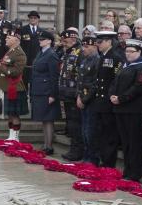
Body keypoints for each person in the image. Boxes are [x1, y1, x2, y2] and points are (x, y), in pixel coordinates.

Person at [111, 39, 142, 181]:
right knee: (126, 142)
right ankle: (128, 169)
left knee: (134, 142)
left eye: (131, 51)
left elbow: (139, 86)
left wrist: (121, 98)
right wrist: (112, 95)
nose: (128, 54)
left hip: (135, 110)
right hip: (121, 109)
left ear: (139, 52)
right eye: (126, 51)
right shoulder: (125, 65)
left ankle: (136, 172)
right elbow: (115, 82)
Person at [89, 30, 120, 168]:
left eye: (100, 42)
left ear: (109, 42)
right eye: (97, 42)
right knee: (101, 132)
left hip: (108, 102)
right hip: (100, 101)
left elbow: (116, 80)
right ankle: (103, 159)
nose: (98, 44)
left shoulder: (115, 57)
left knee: (109, 134)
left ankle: (108, 162)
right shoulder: (103, 56)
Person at [28, 30, 61, 154]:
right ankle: (45, 144)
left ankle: (49, 146)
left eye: (42, 39)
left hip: (47, 91)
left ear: (49, 41)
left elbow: (54, 76)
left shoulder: (51, 55)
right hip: (39, 90)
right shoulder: (41, 53)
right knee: (44, 119)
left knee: (48, 119)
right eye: (39, 39)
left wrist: (53, 94)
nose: (40, 41)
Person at [0, 28, 28, 140]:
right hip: (7, 87)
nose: (6, 39)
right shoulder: (10, 51)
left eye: (8, 37)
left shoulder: (19, 53)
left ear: (16, 40)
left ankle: (15, 137)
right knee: (10, 114)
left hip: (15, 88)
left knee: (14, 114)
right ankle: (11, 136)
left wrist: (0, 66)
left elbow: (16, 72)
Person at [57, 29, 85, 161]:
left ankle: (77, 150)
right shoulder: (66, 52)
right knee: (71, 124)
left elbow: (81, 75)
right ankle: (74, 149)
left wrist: (78, 93)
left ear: (73, 39)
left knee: (75, 124)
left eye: (65, 41)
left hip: (74, 94)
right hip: (66, 93)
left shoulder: (79, 52)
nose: (63, 43)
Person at [74, 34, 102, 164]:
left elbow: (95, 84)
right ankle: (86, 157)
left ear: (94, 46)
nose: (83, 49)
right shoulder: (84, 60)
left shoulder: (97, 60)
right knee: (84, 130)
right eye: (83, 46)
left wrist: (84, 99)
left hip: (91, 101)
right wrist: (79, 96)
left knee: (90, 131)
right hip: (83, 98)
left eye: (86, 46)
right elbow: (80, 80)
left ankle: (92, 158)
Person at [20, 11, 42, 85]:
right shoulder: (23, 30)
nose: (33, 19)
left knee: (34, 81)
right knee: (24, 81)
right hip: (25, 59)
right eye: (31, 18)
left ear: (38, 19)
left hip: (36, 59)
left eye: (35, 18)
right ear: (29, 19)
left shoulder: (41, 31)